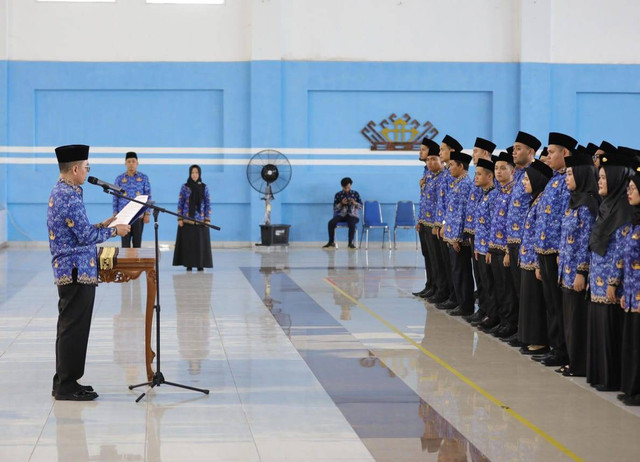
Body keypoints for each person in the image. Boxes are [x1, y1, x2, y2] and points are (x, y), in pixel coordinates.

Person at [48, 144, 130, 400]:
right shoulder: (68, 195)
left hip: (74, 268)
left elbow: (79, 231)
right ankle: (66, 385)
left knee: (71, 326)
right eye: (86, 167)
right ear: (74, 169)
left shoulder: (67, 191)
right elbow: (85, 236)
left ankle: (66, 380)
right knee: (73, 327)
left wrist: (103, 224)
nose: (88, 171)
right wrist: (115, 231)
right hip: (75, 270)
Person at [587, 148, 633, 391]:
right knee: (599, 330)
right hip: (597, 281)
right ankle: (601, 375)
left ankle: (612, 378)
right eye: (600, 177)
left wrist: (614, 282)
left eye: (604, 178)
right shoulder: (606, 207)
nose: (600, 181)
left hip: (612, 287)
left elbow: (622, 253)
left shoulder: (623, 211)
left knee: (611, 332)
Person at [531, 132, 577, 367]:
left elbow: (566, 221)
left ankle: (563, 350)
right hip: (544, 250)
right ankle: (555, 346)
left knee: (559, 304)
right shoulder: (554, 180)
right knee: (550, 302)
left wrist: (561, 251)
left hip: (557, 253)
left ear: (565, 153)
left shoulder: (570, 182)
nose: (548, 156)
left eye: (552, 152)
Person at [557, 148, 599, 377]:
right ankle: (573, 360)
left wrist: (582, 272)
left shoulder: (587, 205)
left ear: (583, 175)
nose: (567, 178)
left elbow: (586, 242)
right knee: (569, 320)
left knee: (578, 321)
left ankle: (580, 364)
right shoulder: (574, 202)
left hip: (577, 274)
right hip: (566, 271)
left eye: (571, 174)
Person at [503, 131, 541, 345]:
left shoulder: (535, 175)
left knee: (527, 293)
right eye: (514, 148)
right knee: (516, 290)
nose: (514, 152)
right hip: (513, 241)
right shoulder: (517, 175)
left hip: (526, 242)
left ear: (531, 152)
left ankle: (527, 333)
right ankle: (520, 329)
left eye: (519, 148)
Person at [517, 159, 553, 355]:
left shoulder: (541, 202)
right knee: (528, 300)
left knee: (536, 302)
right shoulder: (535, 200)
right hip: (527, 259)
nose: (523, 182)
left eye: (527, 179)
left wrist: (538, 261)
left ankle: (539, 340)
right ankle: (529, 337)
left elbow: (541, 233)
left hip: (535, 260)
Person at [442, 150, 474, 316]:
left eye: (452, 165)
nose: (450, 169)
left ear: (461, 166)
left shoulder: (465, 185)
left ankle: (466, 305)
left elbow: (462, 213)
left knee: (462, 272)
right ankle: (461, 303)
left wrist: (456, 238)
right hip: (452, 235)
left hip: (459, 238)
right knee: (456, 271)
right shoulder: (457, 184)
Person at [434, 135, 464, 310]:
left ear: (452, 151)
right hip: (445, 224)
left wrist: (444, 223)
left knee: (455, 266)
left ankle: (455, 297)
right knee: (446, 264)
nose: (440, 152)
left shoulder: (455, 174)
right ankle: (449, 294)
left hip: (451, 225)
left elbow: (454, 204)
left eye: (442, 149)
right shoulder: (447, 172)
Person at [467, 158, 498, 327]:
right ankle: (485, 311)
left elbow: (494, 225)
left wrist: (488, 248)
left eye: (479, 174)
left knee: (490, 284)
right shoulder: (485, 195)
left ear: (489, 176)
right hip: (480, 246)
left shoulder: (493, 197)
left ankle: (492, 316)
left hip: (488, 248)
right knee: (483, 283)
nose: (476, 177)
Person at [619, 171, 640, 405]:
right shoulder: (634, 221)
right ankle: (633, 388)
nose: (629, 192)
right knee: (633, 344)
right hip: (633, 295)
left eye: (634, 188)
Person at [413, 138, 443, 298]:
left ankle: (438, 288)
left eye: (423, 150)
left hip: (434, 224)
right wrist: (419, 219)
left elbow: (440, 203)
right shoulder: (427, 174)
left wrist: (438, 224)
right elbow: (424, 200)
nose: (421, 153)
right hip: (425, 221)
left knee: (436, 258)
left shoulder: (441, 176)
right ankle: (430, 284)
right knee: (427, 256)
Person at [173, 165, 213, 271]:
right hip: (187, 221)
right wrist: (180, 218)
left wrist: (207, 219)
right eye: (192, 173)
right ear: (190, 174)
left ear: (199, 174)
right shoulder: (185, 187)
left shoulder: (204, 187)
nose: (194, 175)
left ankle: (200, 265)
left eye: (196, 173)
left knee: (200, 245)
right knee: (188, 245)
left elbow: (208, 203)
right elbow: (180, 203)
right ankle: (188, 264)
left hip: (201, 221)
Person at [112, 151, 151, 248]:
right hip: (123, 217)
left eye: (133, 161)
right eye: (129, 161)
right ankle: (126, 263)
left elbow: (148, 196)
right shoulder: (119, 179)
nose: (131, 164)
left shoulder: (144, 178)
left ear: (137, 163)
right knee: (125, 244)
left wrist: (147, 213)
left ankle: (136, 263)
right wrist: (115, 213)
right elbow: (115, 196)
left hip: (139, 215)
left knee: (137, 244)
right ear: (125, 163)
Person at [323, 177, 363, 249]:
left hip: (353, 215)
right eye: (345, 187)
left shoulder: (355, 194)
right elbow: (335, 208)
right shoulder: (338, 195)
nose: (347, 189)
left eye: (348, 187)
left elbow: (361, 207)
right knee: (331, 222)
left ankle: (350, 243)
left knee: (351, 223)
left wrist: (355, 203)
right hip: (342, 215)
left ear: (350, 185)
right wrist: (341, 203)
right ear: (342, 186)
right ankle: (331, 242)